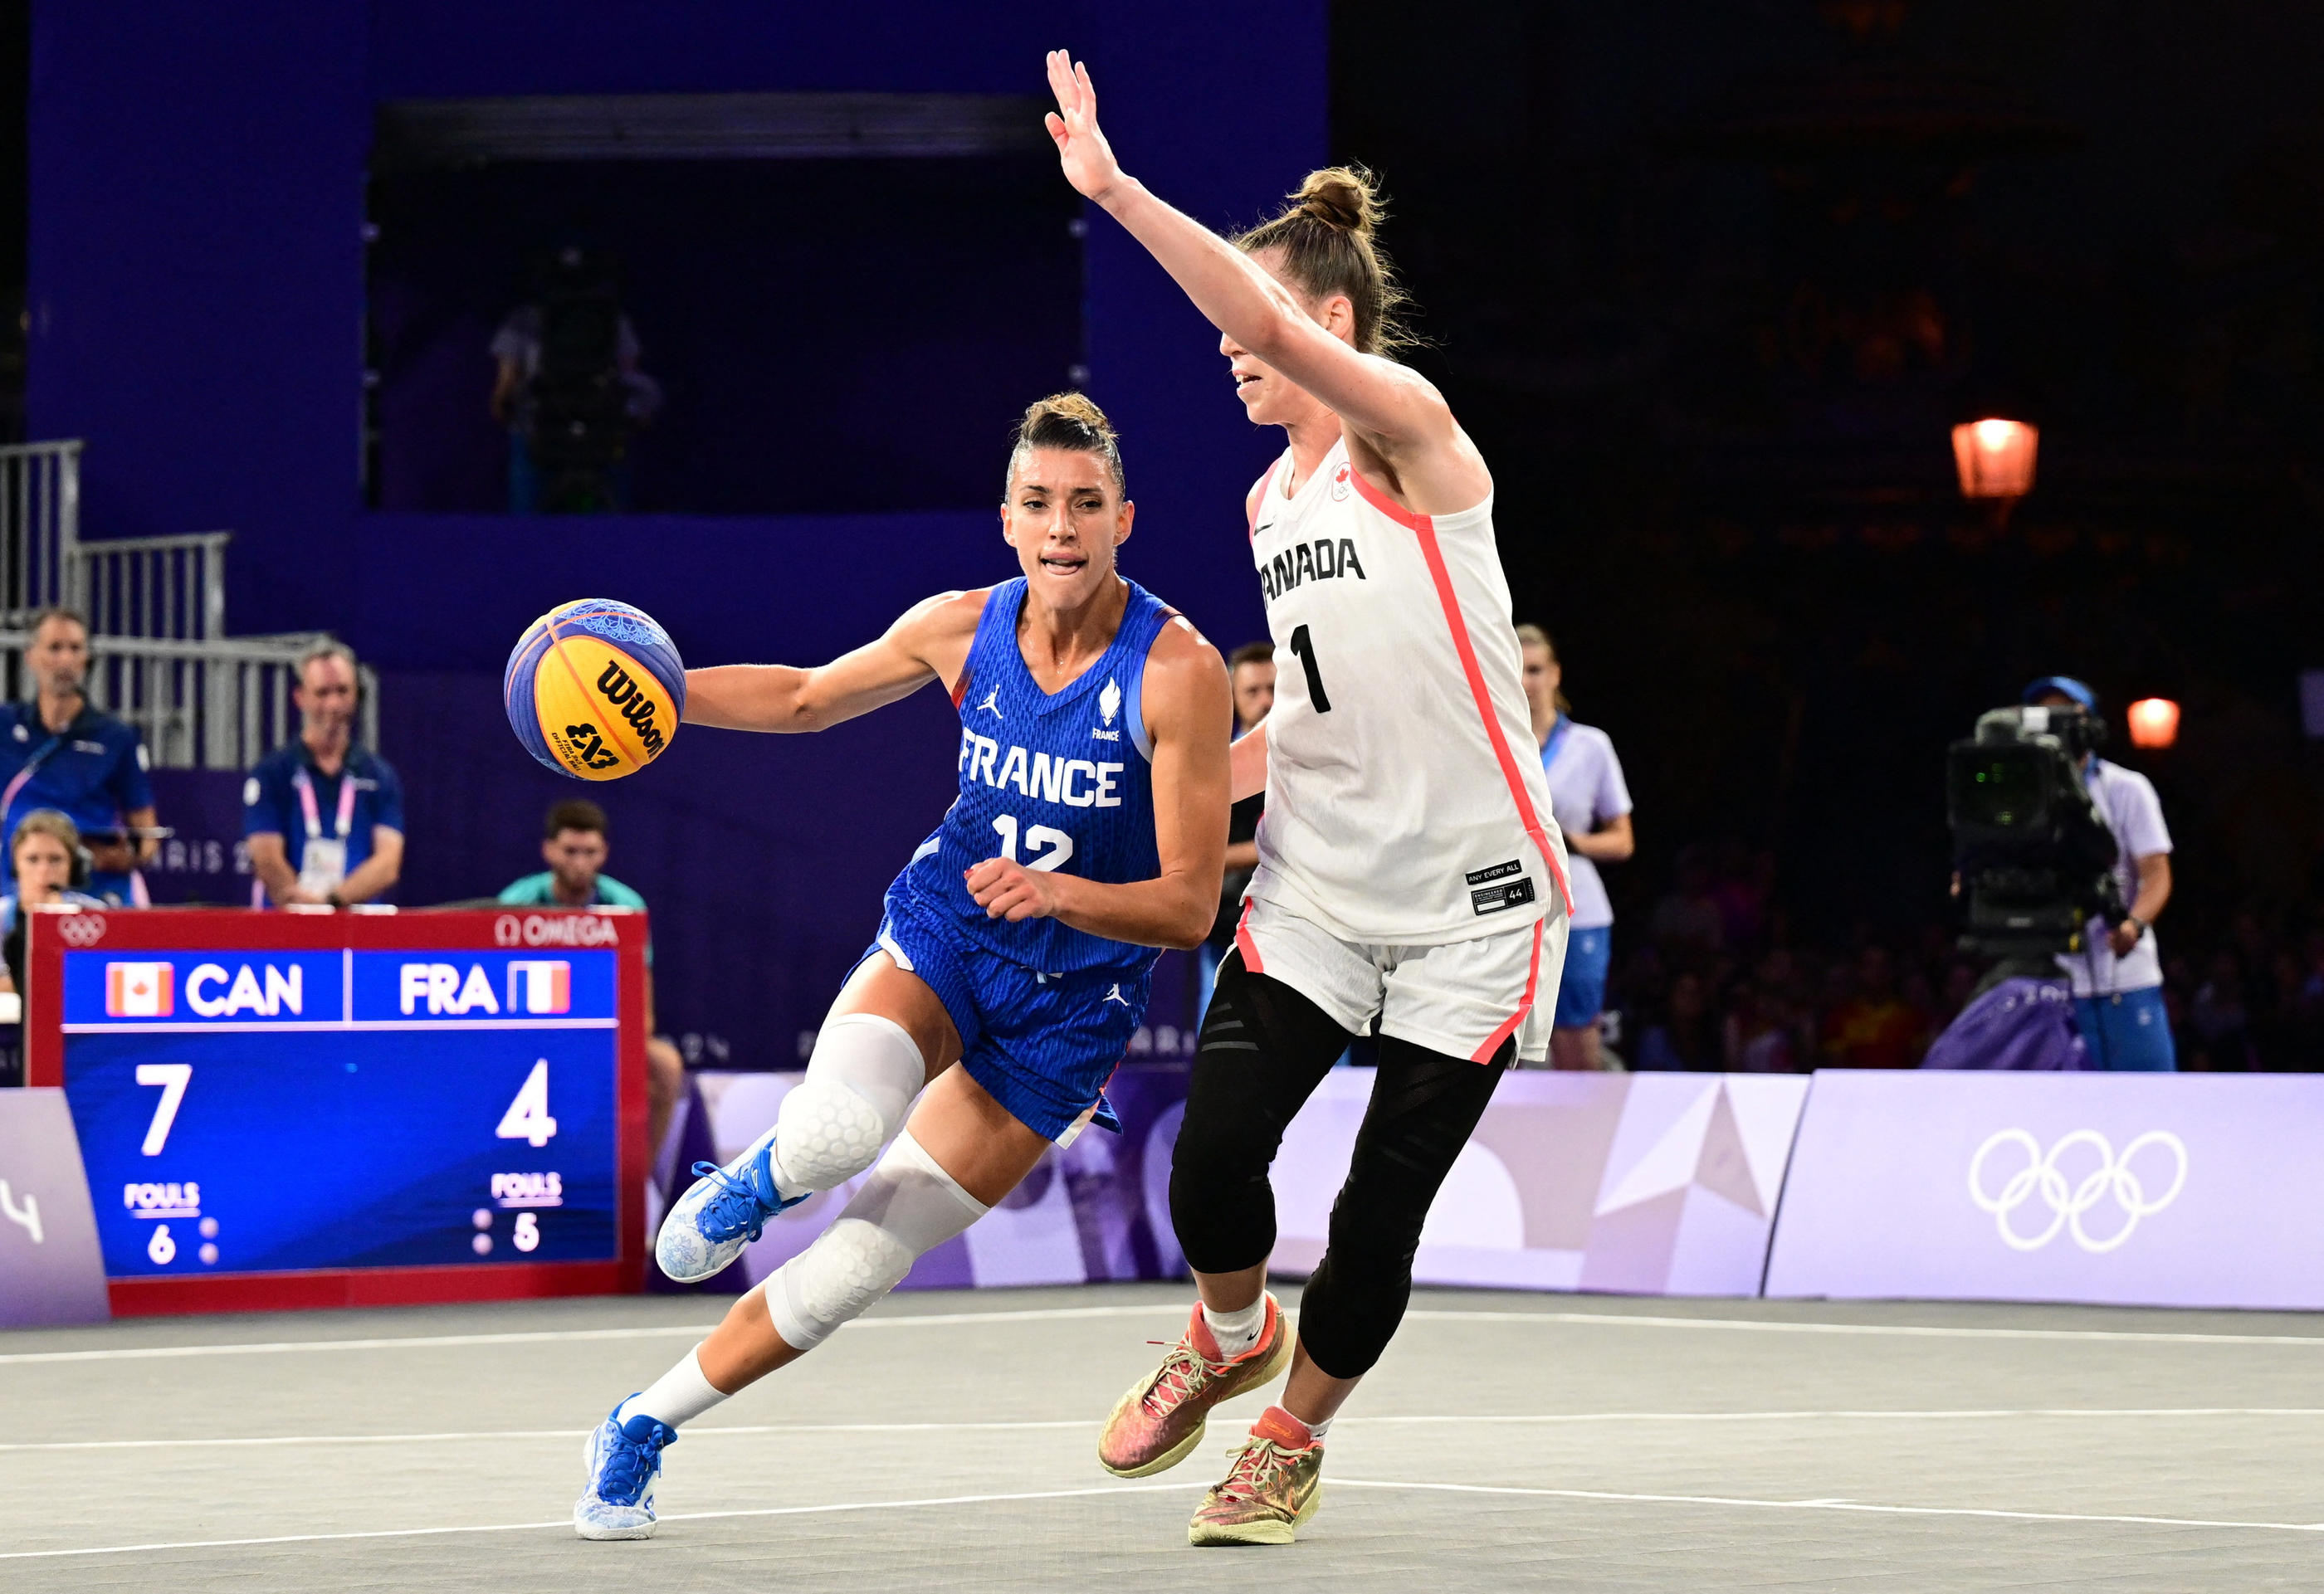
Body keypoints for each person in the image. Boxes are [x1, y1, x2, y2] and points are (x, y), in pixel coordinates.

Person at [1046, 54, 1572, 1547]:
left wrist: (1116, 190)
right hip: (1325, 891)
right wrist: (1169, 813)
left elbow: (1255, 311)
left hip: (1474, 912)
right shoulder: (1275, 504)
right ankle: (1228, 1337)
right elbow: (1317, 715)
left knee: (1375, 1215)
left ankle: (1290, 1437)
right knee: (1213, 1159)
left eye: (1255, 324)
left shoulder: (1412, 432)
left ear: (1326, 326)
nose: (1232, 350)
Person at [571, 392, 1229, 1539]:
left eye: (1085, 505)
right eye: (1038, 505)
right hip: (948, 934)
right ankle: (752, 1183)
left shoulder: (1178, 671)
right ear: (1008, 520)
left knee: (857, 1268)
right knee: (833, 1135)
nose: (1061, 526)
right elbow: (806, 699)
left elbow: (1187, 903)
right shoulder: (958, 626)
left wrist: (1061, 893)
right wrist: (660, 708)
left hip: (1068, 1013)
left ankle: (640, 1424)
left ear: (1125, 518)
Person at [500, 798, 689, 1162]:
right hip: (527, 1036)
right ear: (549, 850)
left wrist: (609, 1041)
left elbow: (642, 1006)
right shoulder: (515, 902)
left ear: (604, 853)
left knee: (665, 1066)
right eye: (570, 851)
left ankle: (638, 1183)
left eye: (591, 852)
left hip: (605, 1034)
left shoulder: (625, 906)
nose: (580, 863)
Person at [2026, 675, 2176, 1070]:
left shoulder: (2127, 788)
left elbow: (2156, 874)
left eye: (2064, 713)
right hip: (2050, 984)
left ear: (2089, 725)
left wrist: (2134, 923)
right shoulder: (2020, 796)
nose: (2054, 724)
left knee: (2149, 1106)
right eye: (2044, 714)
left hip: (2123, 981)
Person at [1518, 625, 1633, 1069]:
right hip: (1506, 908)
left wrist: (1571, 842)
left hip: (1576, 911)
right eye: (1515, 670)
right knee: (1504, 1044)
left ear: (1555, 674)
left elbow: (1623, 841)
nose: (1525, 681)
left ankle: (1588, 1139)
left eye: (1535, 669)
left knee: (1574, 1040)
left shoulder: (1590, 746)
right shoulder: (1490, 745)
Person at [0, 608, 159, 905]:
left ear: (87, 659)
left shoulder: (115, 736)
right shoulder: (4, 726)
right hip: (14, 893)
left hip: (94, 893)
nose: (65, 660)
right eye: (55, 648)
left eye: (75, 649)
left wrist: (114, 857)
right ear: (30, 656)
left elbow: (147, 837)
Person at [244, 642, 405, 909]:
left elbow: (388, 863)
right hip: (288, 927)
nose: (333, 704)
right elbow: (265, 857)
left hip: (357, 927)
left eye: (343, 691)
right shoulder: (272, 773)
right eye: (322, 693)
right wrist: (303, 907)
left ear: (356, 695)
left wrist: (332, 902)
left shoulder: (379, 776)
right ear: (300, 697)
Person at [1197, 641, 1275, 1016]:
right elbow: (1194, 852)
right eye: (1253, 691)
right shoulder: (1213, 767)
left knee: (1321, 1067)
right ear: (1232, 696)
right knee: (1217, 1045)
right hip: (1225, 932)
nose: (1266, 702)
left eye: (1274, 689)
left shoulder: (1315, 766)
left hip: (1303, 929)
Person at [0, 809, 109, 1003]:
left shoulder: (95, 915)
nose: (43, 871)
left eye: (55, 860)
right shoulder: (1, 917)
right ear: (15, 862)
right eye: (32, 859)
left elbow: (106, 976)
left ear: (74, 866)